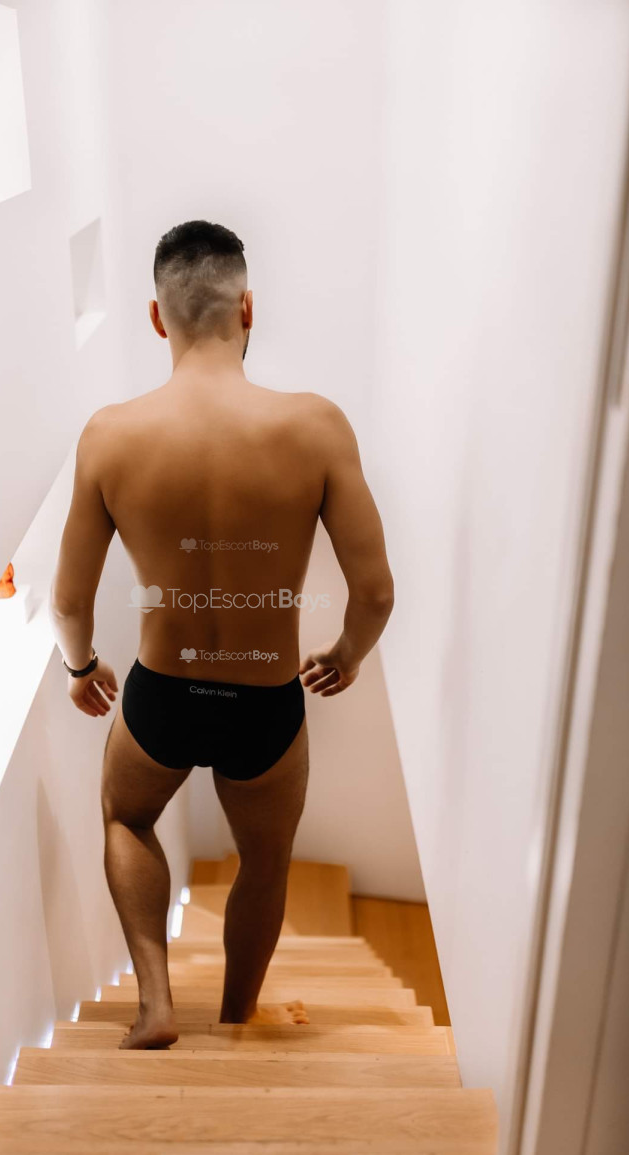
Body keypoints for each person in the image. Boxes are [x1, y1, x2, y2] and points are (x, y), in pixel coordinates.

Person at [50, 219, 394, 1049]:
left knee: (127, 820)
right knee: (265, 864)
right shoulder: (315, 426)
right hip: (265, 703)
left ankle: (156, 1005)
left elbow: (68, 600)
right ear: (248, 309)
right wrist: (346, 655)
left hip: (162, 696)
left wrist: (82, 666)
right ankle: (237, 1016)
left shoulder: (110, 435)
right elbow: (376, 592)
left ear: (156, 318)